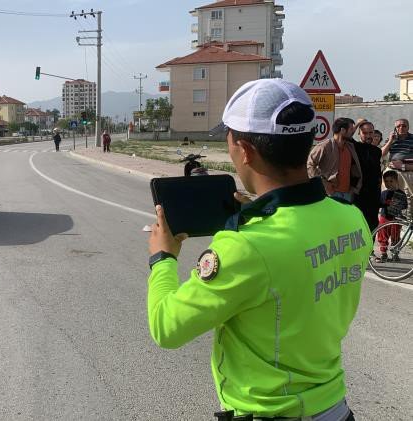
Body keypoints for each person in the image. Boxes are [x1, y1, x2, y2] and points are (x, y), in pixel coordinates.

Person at [146, 79, 369, 420]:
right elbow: (298, 264)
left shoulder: (246, 246)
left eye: (230, 138)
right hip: (335, 409)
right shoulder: (352, 220)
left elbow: (167, 327)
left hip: (272, 412)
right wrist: (262, 210)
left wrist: (162, 258)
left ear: (245, 150)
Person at [307, 118, 362, 202]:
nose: (353, 132)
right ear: (343, 130)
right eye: (351, 129)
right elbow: (309, 165)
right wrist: (323, 183)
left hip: (347, 194)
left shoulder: (350, 147)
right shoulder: (325, 146)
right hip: (330, 194)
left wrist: (353, 188)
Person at [353, 120, 383, 231]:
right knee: (359, 224)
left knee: (373, 224)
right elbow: (347, 136)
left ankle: (370, 248)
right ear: (359, 133)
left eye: (371, 132)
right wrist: (357, 124)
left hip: (374, 194)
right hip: (359, 193)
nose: (368, 136)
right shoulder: (354, 147)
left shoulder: (377, 151)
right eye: (365, 133)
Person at [380, 119, 413, 218]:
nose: (401, 128)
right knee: (389, 195)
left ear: (408, 127)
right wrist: (390, 141)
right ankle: (389, 217)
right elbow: (381, 154)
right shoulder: (391, 139)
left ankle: (406, 216)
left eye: (404, 126)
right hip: (393, 171)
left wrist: (403, 166)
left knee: (408, 197)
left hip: (408, 170)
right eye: (398, 126)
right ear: (395, 128)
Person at [376, 170, 408, 262]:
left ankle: (395, 253)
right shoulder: (384, 193)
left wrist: (398, 204)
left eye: (391, 181)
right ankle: (383, 254)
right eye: (386, 181)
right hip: (384, 217)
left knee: (396, 236)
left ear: (396, 181)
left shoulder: (401, 194)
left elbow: (405, 205)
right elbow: (380, 204)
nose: (388, 183)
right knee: (382, 236)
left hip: (396, 218)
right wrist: (386, 203)